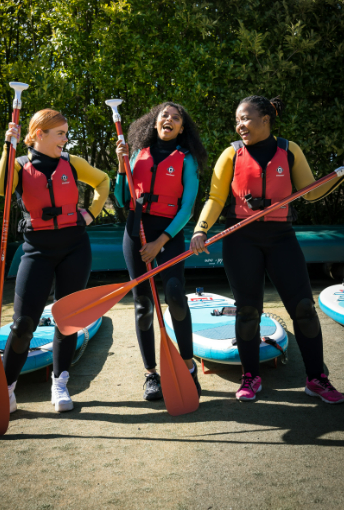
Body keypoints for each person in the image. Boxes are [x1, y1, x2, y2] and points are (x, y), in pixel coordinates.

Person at [190, 95, 344, 403]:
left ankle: (317, 378)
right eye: (237, 120)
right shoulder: (231, 154)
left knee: (303, 308)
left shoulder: (289, 151)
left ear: (265, 119)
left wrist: (339, 176)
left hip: (281, 237)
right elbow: (216, 198)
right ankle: (250, 376)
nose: (240, 125)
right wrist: (200, 229)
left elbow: (311, 193)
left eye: (246, 118)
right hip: (241, 239)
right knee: (248, 311)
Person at [0, 109, 110, 413]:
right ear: (39, 135)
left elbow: (103, 181)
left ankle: (59, 384)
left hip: (75, 247)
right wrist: (9, 146)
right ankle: (6, 389)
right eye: (61, 133)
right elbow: (0, 186)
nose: (66, 139)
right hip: (36, 250)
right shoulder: (19, 165)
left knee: (67, 320)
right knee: (23, 325)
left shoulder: (72, 163)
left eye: (67, 133)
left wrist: (89, 214)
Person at [114, 102, 207, 401]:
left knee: (176, 295)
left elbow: (188, 208)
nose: (169, 120)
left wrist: (160, 242)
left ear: (182, 128)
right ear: (154, 122)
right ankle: (150, 374)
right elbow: (122, 198)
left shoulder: (187, 159)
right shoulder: (137, 153)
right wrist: (120, 165)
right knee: (143, 304)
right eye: (164, 115)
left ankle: (188, 365)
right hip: (135, 229)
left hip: (169, 233)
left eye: (176, 118)